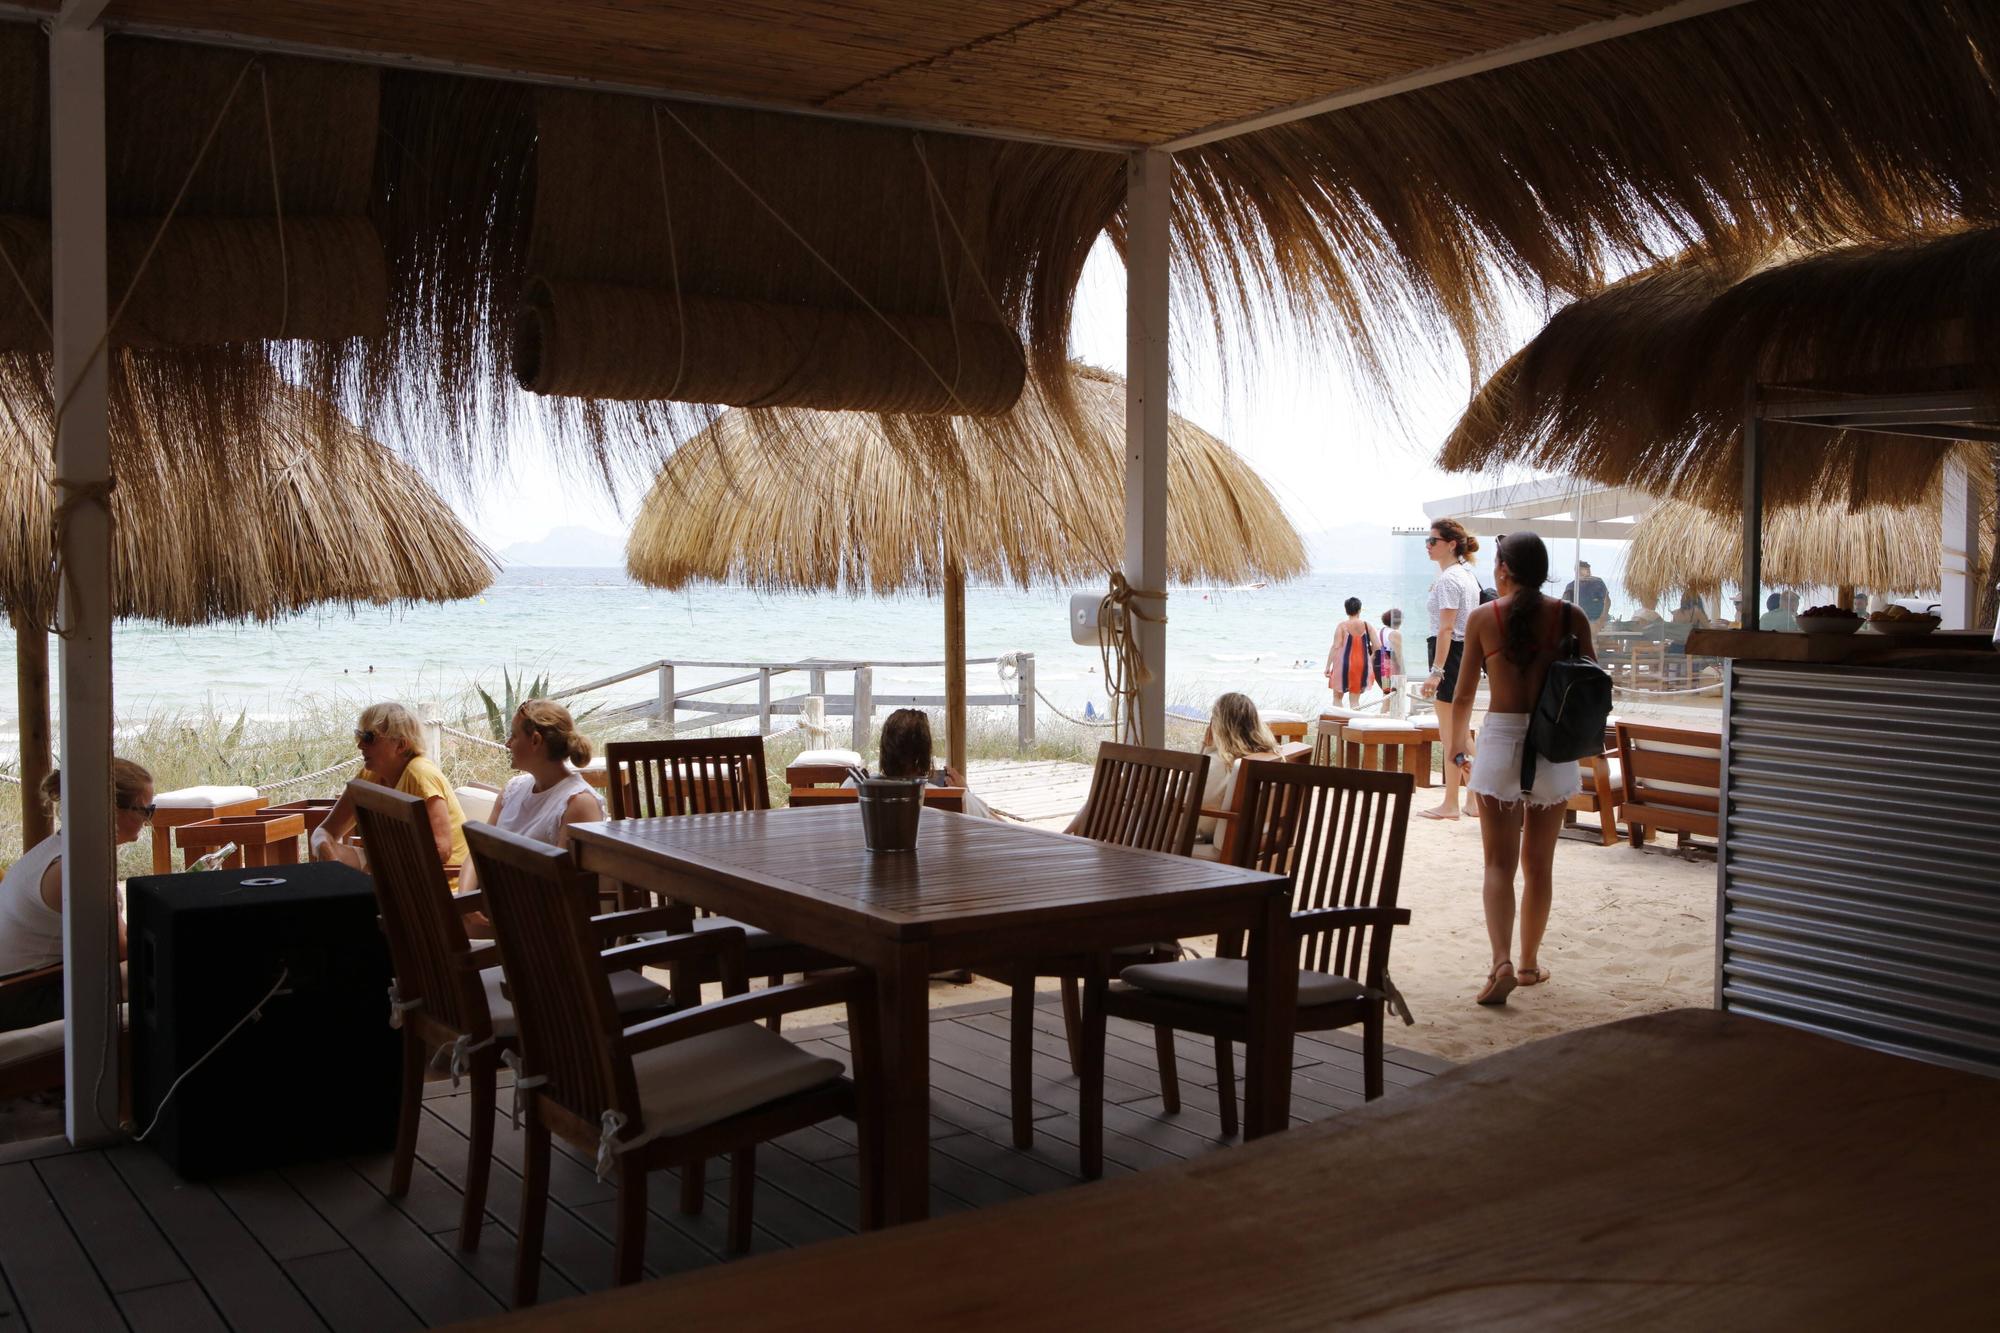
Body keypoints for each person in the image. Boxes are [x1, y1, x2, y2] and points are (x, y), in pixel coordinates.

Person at [1446, 532, 1596, 1007]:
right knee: (1539, 864)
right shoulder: (1571, 615)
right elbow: (1591, 681)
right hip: (1554, 743)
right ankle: (1529, 964)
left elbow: (1464, 694)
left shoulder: (1483, 618)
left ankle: (1500, 963)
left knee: (1498, 864)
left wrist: (1456, 750)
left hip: (1501, 741)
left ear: (1503, 569)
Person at [0, 759, 153, 1032]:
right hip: (24, 998)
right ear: (111, 809)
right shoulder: (80, 867)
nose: (147, 819)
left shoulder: (54, 850)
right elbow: (119, 950)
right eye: (144, 810)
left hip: (20, 986)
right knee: (169, 971)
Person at [456, 699, 602, 895]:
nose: (507, 744)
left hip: (535, 914)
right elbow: (477, 851)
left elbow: (563, 885)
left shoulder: (578, 803)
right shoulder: (513, 789)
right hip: (499, 900)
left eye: (514, 736)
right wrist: (465, 899)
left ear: (535, 740)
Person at [313, 701, 469, 872]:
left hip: (440, 883)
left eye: (369, 738)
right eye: (359, 735)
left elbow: (442, 850)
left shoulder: (420, 774)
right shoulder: (368, 776)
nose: (360, 745)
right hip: (397, 870)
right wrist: (324, 848)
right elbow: (325, 831)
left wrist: (382, 865)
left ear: (401, 745)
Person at [1420, 518, 1484, 820]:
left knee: (1451, 734)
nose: (1428, 546)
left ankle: (1451, 803)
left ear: (1451, 544)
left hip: (1449, 655)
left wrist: (1436, 671)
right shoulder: (1466, 575)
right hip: (1464, 655)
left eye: (1433, 541)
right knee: (1459, 733)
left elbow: (1446, 629)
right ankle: (1473, 796)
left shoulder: (1449, 579)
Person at [1191, 692, 1282, 859]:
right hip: (1257, 838)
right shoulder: (1270, 759)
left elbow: (1196, 806)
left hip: (1209, 839)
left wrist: (1206, 748)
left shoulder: (1220, 763)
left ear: (1217, 725)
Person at [867, 708, 994, 819]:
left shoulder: (857, 787)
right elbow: (1003, 829)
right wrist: (966, 792)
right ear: (923, 755)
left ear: (884, 751)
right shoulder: (958, 798)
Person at [1322, 597, 1382, 709]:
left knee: (1337, 698)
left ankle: (1339, 722)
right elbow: (1377, 646)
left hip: (1342, 664)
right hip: (1361, 664)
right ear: (1359, 610)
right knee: (1355, 701)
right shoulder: (1366, 626)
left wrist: (1327, 666)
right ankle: (1353, 724)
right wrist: (1370, 658)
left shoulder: (1342, 626)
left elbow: (1336, 646)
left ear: (1346, 610)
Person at [1560, 560, 1612, 627]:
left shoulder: (1598, 582)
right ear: (1577, 571)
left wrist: (1602, 618)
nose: (1589, 572)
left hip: (1600, 621)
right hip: (1580, 622)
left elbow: (1607, 601)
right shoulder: (1571, 586)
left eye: (1589, 570)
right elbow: (1565, 607)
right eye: (1585, 569)